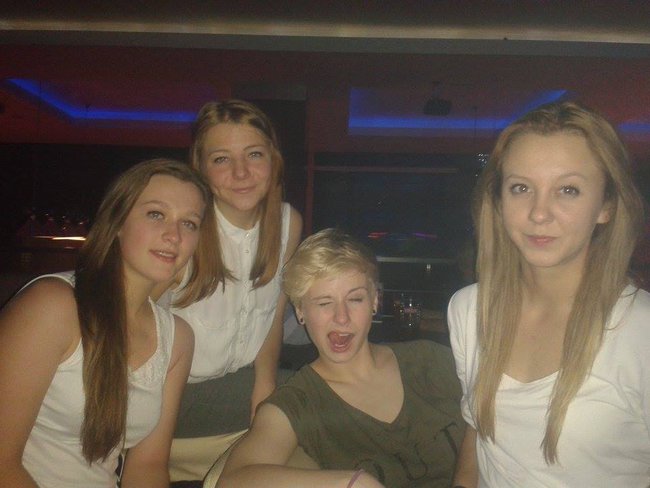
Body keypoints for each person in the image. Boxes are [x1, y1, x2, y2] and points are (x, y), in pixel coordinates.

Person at [448, 101, 650, 487]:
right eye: (521, 188)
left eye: (568, 190)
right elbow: (479, 437)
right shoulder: (469, 310)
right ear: (498, 201)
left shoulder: (640, 332)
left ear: (606, 206)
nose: (539, 213)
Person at [0, 159, 219, 488]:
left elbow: (148, 466)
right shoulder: (53, 305)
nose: (174, 235)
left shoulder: (177, 338)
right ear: (117, 223)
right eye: (156, 214)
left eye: (189, 223)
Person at [216, 228, 464, 488]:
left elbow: (483, 416)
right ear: (300, 311)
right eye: (324, 303)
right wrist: (350, 482)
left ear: (375, 301)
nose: (342, 317)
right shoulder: (300, 402)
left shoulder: (429, 360)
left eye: (355, 299)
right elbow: (231, 481)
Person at [158, 99, 302, 480]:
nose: (241, 172)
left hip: (242, 386)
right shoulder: (181, 231)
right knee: (321, 390)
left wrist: (265, 384)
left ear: (273, 160)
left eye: (254, 154)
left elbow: (274, 315)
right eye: (221, 159)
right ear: (200, 168)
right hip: (175, 396)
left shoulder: (287, 223)